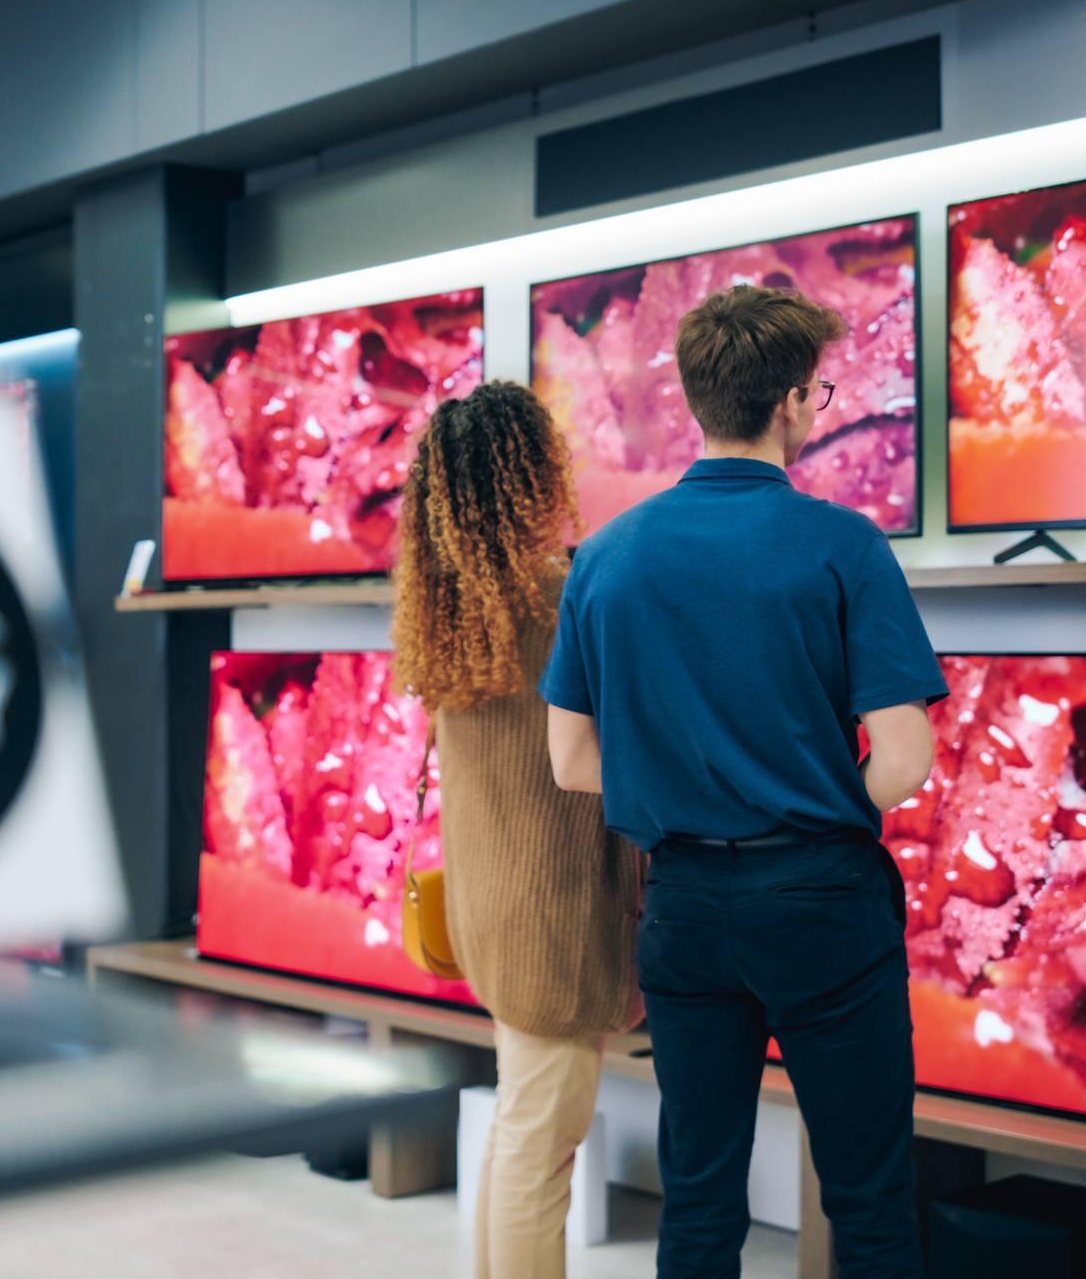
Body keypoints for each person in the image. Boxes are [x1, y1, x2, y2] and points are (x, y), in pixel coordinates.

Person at [539, 286, 944, 1277]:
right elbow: (902, 757)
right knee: (869, 1200)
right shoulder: (841, 544)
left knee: (700, 1197)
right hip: (819, 901)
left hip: (678, 907)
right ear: (794, 403)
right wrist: (810, 800)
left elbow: (570, 761)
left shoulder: (604, 556)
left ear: (695, 399)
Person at [391, 379, 643, 1279]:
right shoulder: (565, 600)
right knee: (541, 1148)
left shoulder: (455, 610)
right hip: (556, 917)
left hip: (491, 908)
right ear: (528, 476)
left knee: (518, 1133)